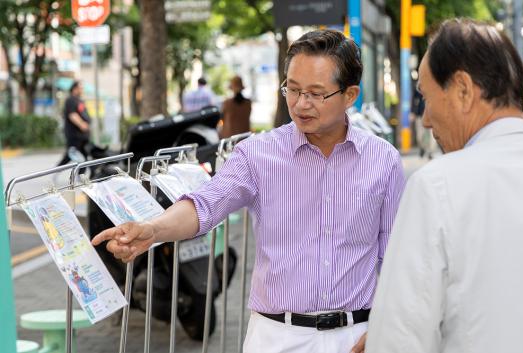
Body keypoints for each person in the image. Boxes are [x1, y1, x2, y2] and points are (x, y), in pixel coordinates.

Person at [93, 29, 405, 353]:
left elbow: (397, 258)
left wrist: (384, 328)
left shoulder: (383, 161)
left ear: (350, 95)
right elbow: (205, 204)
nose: (300, 104)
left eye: (315, 93)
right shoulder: (258, 154)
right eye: (293, 89)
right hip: (277, 337)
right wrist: (153, 229)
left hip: (357, 337)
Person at [365, 19, 523, 353]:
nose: (425, 119)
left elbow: (399, 340)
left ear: (463, 90)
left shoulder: (437, 186)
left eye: (426, 97)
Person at [57, 81, 91, 166]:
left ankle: (82, 176)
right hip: (75, 135)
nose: (82, 90)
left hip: (81, 136)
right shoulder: (71, 100)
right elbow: (72, 115)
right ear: (75, 89)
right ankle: (55, 172)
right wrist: (82, 125)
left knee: (85, 157)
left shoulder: (79, 100)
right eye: (80, 88)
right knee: (70, 155)